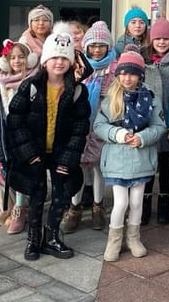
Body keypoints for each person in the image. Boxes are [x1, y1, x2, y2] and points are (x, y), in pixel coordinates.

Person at [6, 24, 91, 262]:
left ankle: (52, 235)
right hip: (34, 150)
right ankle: (34, 238)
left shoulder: (77, 91)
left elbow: (80, 126)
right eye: (54, 58)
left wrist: (69, 157)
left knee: (62, 194)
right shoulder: (30, 86)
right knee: (36, 193)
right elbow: (15, 120)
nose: (59, 63)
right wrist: (28, 153)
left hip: (61, 150)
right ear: (45, 60)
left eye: (64, 58)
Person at [94, 48, 166, 261]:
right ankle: (114, 240)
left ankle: (133, 237)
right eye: (123, 73)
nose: (127, 78)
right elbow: (99, 125)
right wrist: (117, 133)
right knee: (120, 203)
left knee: (136, 202)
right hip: (117, 159)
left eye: (132, 73)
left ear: (140, 75)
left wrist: (143, 137)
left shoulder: (151, 99)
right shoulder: (110, 98)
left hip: (141, 158)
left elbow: (160, 126)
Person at [63, 21, 117, 234]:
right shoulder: (78, 65)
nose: (96, 50)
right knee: (79, 165)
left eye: (101, 45)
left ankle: (97, 206)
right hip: (79, 123)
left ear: (108, 47)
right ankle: (74, 208)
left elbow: (116, 96)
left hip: (103, 123)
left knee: (98, 167)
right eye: (93, 45)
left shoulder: (114, 67)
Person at [0, 40, 39, 235]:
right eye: (13, 57)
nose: (17, 61)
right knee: (12, 171)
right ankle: (18, 206)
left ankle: (22, 208)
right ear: (5, 61)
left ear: (30, 59)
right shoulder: (0, 83)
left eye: (21, 57)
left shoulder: (34, 81)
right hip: (8, 135)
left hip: (28, 134)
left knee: (29, 171)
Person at [142, 18, 169, 224]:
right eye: (158, 39)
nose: (162, 42)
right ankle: (145, 204)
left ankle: (164, 203)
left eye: (166, 39)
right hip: (148, 120)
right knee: (148, 164)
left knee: (165, 163)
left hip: (168, 119)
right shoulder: (145, 60)